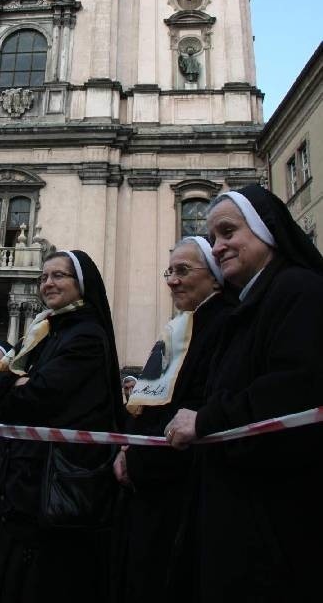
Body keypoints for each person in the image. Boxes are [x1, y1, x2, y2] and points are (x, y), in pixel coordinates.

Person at [165, 185, 323, 602]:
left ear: (265, 230)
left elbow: (293, 391)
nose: (217, 247)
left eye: (228, 232)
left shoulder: (299, 290)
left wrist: (205, 420)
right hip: (234, 513)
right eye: (213, 237)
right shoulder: (247, 306)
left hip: (275, 523)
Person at [0, 250, 125, 603]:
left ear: (81, 284)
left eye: (59, 276)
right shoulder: (44, 330)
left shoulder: (86, 334)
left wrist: (16, 386)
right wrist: (14, 384)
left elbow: (38, 398)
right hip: (25, 475)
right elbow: (0, 396)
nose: (48, 283)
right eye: (44, 277)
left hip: (52, 479)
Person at [114, 236, 234, 603]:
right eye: (170, 271)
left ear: (214, 277)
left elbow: (195, 405)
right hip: (150, 480)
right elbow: (148, 402)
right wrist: (126, 448)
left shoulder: (224, 323)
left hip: (181, 487)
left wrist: (139, 459)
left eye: (183, 271)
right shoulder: (181, 327)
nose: (171, 280)